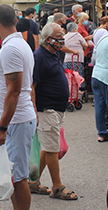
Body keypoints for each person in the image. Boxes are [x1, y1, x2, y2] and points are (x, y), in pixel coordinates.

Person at [0, 4, 37, 210]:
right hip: (17, 120)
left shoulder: (11, 49)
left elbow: (14, 91)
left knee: (19, 178)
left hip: (16, 121)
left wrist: (2, 126)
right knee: (15, 175)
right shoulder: (18, 45)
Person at [30, 22, 77, 200]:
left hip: (55, 109)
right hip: (46, 109)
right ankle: (57, 186)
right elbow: (31, 86)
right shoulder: (39, 57)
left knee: (48, 147)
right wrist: (34, 110)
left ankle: (33, 182)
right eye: (58, 37)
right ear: (48, 38)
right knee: (51, 149)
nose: (62, 40)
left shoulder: (54, 53)